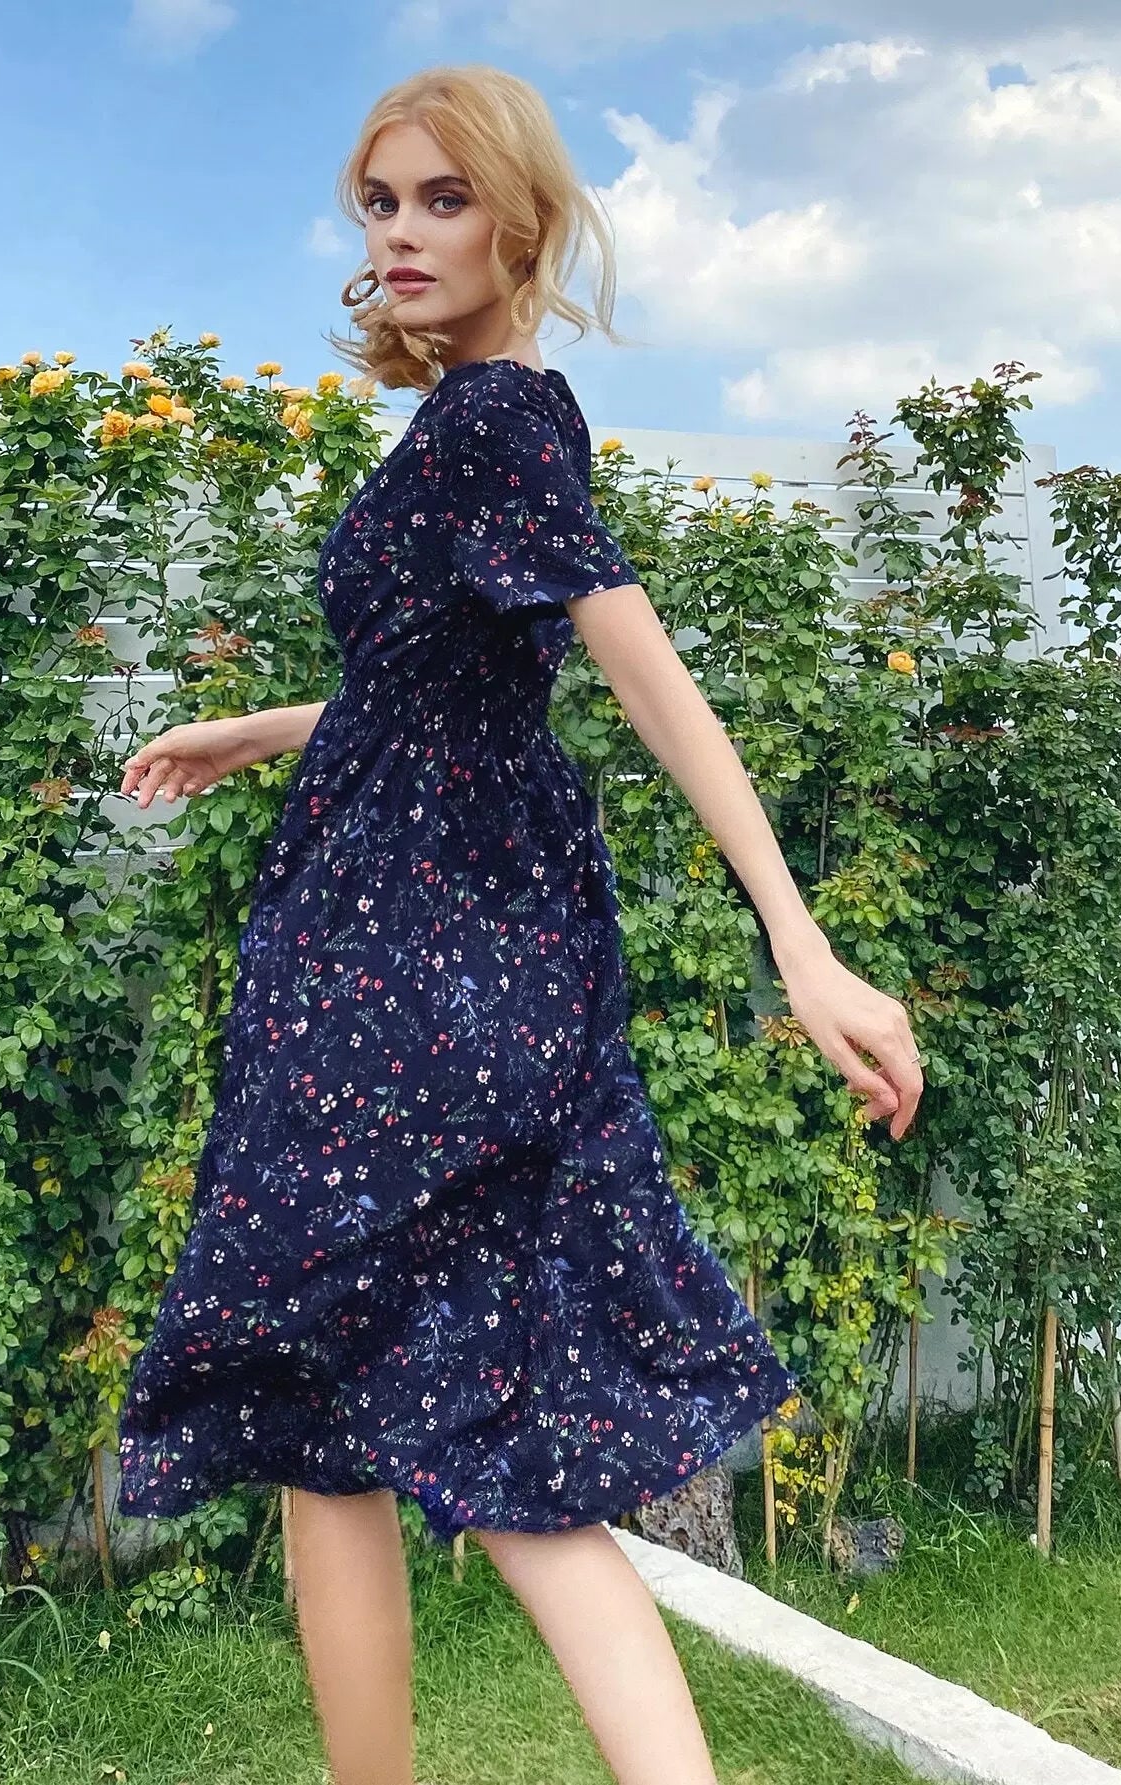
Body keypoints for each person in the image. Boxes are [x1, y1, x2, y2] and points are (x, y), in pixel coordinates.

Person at [114, 62, 924, 1785]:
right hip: (400, 947)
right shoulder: (478, 429)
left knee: (433, 1416)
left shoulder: (496, 422)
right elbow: (447, 699)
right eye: (380, 204)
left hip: (406, 968)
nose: (401, 235)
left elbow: (644, 672)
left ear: (525, 221)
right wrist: (261, 730)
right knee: (351, 1419)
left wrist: (800, 942)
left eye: (444, 199)